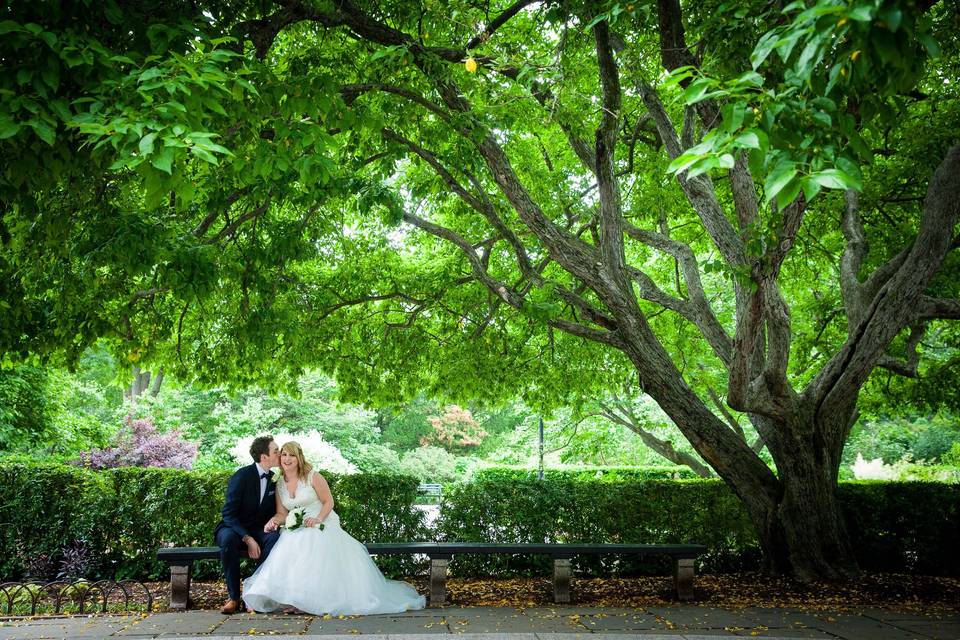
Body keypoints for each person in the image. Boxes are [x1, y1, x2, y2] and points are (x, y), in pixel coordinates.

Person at [242, 441, 426, 615]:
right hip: (297, 526)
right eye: (284, 454)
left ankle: (309, 600)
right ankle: (294, 599)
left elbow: (328, 501)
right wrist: (273, 521)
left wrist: (318, 519)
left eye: (292, 455)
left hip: (320, 521)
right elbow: (282, 513)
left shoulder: (312, 476)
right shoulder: (280, 483)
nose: (287, 459)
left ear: (299, 458)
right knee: (288, 543)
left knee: (310, 541)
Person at [215, 435, 282, 614]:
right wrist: (247, 537)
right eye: (276, 451)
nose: (280, 454)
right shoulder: (242, 475)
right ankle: (234, 598)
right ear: (263, 456)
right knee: (228, 540)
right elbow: (228, 514)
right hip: (233, 527)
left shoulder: (275, 479)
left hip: (259, 528)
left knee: (274, 538)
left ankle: (254, 593)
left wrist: (273, 523)